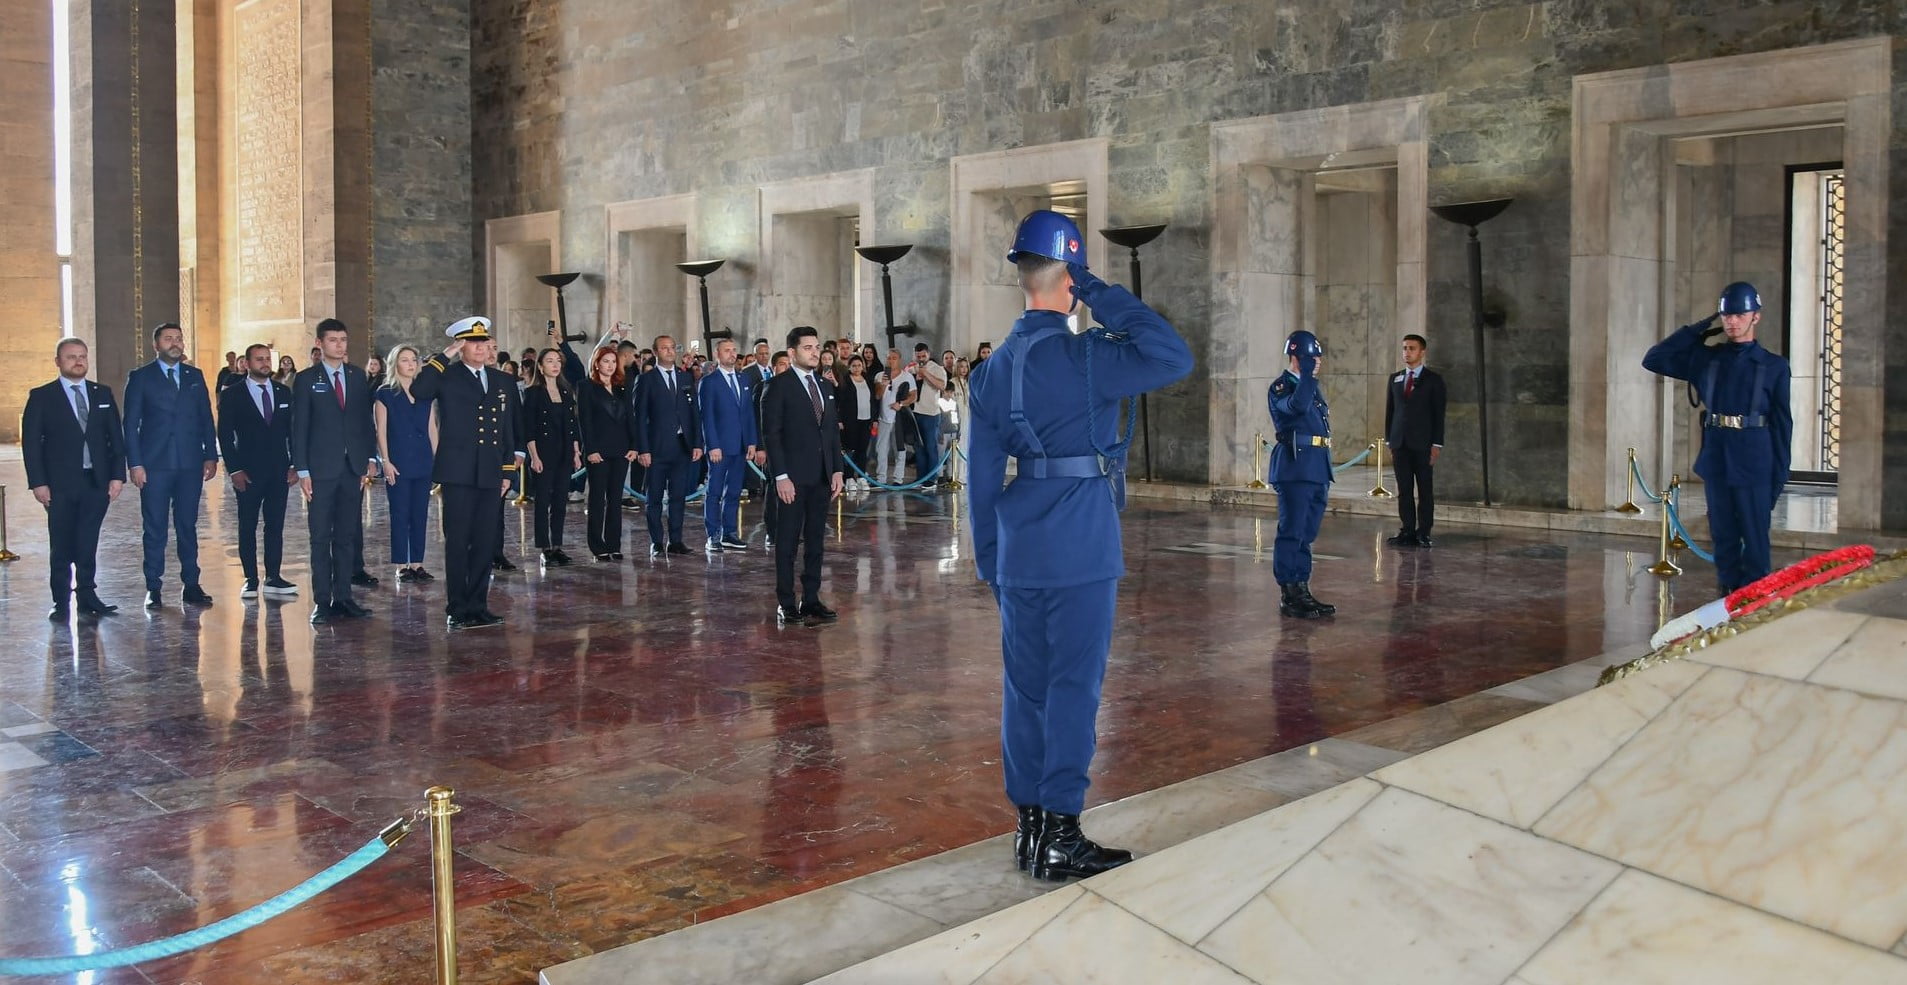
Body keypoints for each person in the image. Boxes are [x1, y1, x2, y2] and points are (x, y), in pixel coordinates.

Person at [967, 209, 1193, 882]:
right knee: (1072, 688)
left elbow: (979, 481)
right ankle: (1061, 830)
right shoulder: (1088, 357)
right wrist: (1098, 290)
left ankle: (1029, 828)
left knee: (1024, 690)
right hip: (1080, 548)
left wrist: (990, 558)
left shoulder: (991, 371)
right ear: (1067, 276)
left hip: (1018, 550)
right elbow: (1170, 353)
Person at [1643, 281, 1793, 594]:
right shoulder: (1707, 359)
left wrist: (1778, 477)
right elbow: (1654, 358)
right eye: (1726, 316)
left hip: (1755, 460)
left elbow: (1782, 426)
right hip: (1718, 459)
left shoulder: (1773, 366)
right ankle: (1726, 596)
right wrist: (1696, 330)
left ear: (1756, 317)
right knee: (1723, 536)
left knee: (1755, 539)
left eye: (1740, 314)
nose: (1732, 321)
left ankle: (1754, 601)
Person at [413, 316, 524, 629]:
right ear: (460, 345)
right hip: (458, 471)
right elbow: (421, 390)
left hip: (491, 472)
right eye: (472, 342)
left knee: (485, 541)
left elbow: (506, 430)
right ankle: (457, 607)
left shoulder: (501, 380)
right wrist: (445, 355)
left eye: (483, 341)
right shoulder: (447, 375)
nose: (480, 347)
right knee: (459, 541)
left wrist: (507, 472)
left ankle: (479, 604)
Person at [23, 338, 126, 620]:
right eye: (71, 357)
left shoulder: (102, 394)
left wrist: (117, 476)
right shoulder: (42, 396)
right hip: (59, 485)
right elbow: (31, 443)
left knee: (88, 541)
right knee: (62, 543)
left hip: (96, 482)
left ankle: (87, 596)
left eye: (82, 356)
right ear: (58, 361)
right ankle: (60, 600)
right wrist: (38, 482)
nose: (78, 361)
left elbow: (115, 440)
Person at [123, 322, 220, 608]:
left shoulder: (194, 375)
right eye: (168, 339)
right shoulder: (141, 377)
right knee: (154, 528)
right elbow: (130, 424)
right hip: (155, 465)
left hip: (190, 464)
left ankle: (191, 584)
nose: (175, 343)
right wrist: (135, 463)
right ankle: (154, 587)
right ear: (156, 345)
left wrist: (211, 454)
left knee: (187, 526)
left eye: (178, 338)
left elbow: (205, 416)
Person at [291, 318, 381, 624]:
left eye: (343, 340)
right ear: (320, 344)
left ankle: (344, 596)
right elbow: (299, 427)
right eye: (333, 340)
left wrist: (370, 457)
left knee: (346, 535)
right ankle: (322, 600)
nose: (340, 345)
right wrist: (302, 469)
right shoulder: (306, 379)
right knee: (320, 537)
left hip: (351, 467)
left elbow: (363, 422)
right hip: (320, 469)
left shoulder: (357, 376)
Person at [760, 326, 844, 625]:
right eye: (808, 347)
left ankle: (810, 599)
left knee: (816, 541)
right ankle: (786, 601)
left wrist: (836, 469)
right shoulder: (777, 387)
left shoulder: (825, 386)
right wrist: (780, 476)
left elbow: (831, 431)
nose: (815, 352)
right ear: (793, 352)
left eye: (817, 346)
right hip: (791, 480)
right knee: (786, 542)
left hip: (821, 478)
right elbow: (772, 435)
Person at [217, 343, 299, 600]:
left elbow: (293, 432)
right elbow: (225, 435)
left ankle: (273, 576)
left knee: (275, 525)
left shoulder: (284, 392)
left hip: (279, 471)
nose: (265, 363)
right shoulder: (233, 394)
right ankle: (250, 579)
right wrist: (234, 469)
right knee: (247, 525)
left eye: (267, 359)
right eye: (259, 359)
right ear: (248, 363)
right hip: (248, 472)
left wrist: (296, 463)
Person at [1268, 330, 1337, 620]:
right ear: (1295, 358)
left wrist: (1308, 378)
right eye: (1310, 359)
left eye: (1317, 359)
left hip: (1316, 467)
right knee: (1292, 531)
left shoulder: (1308, 386)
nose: (1315, 363)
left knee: (1306, 534)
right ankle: (1289, 594)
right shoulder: (1282, 387)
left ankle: (1302, 588)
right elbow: (1296, 408)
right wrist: (1307, 376)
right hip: (1295, 467)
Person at [632, 334, 704, 557]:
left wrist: (697, 443)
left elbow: (694, 413)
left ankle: (676, 540)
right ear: (655, 353)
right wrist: (643, 449)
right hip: (656, 448)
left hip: (681, 446)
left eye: (673, 347)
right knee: (654, 497)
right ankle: (656, 541)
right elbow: (640, 417)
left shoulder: (685, 378)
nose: (670, 351)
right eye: (664, 348)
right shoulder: (647, 380)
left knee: (678, 496)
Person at [375, 344, 438, 583]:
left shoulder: (425, 392)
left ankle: (418, 564)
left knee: (420, 513)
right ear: (395, 364)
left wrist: (437, 458)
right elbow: (380, 430)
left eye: (413, 359)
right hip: (398, 461)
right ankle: (402, 565)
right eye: (405, 360)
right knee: (400, 513)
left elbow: (432, 428)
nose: (411, 364)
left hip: (422, 459)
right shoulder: (384, 393)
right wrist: (386, 461)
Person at [1384, 334, 1447, 548]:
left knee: (1425, 489)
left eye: (1411, 348)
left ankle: (1424, 531)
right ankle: (1407, 530)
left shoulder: (1433, 380)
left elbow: (1439, 415)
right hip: (1400, 443)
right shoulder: (1395, 378)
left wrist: (1436, 444)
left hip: (1423, 444)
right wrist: (1389, 441)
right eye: (1404, 348)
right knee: (1404, 490)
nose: (1407, 352)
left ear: (1422, 352)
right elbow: (1390, 412)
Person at [697, 338, 758, 553]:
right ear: (718, 354)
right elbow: (707, 417)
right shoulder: (709, 381)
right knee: (714, 492)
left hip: (740, 445)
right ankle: (713, 534)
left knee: (734, 491)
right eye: (727, 351)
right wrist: (712, 445)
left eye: (734, 350)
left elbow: (749, 413)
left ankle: (729, 533)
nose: (732, 354)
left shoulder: (744, 379)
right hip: (719, 447)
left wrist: (752, 441)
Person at [524, 348, 582, 566]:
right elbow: (528, 428)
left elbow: (572, 425)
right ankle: (544, 547)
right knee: (542, 501)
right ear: (540, 366)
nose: (555, 365)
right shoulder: (533, 393)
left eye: (558, 361)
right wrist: (534, 456)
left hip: (565, 452)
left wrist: (576, 452)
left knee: (560, 501)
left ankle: (557, 545)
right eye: (549, 361)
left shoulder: (566, 391)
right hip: (543, 452)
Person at [578, 345, 636, 560]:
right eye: (606, 361)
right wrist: (590, 449)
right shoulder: (586, 387)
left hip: (621, 449)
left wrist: (634, 445)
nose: (610, 366)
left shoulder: (623, 386)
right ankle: (597, 545)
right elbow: (585, 421)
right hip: (598, 451)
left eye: (613, 362)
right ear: (597, 363)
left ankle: (614, 543)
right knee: (597, 499)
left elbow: (631, 416)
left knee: (615, 499)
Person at [909, 343, 946, 489]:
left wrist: (925, 374)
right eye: (918, 356)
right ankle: (921, 477)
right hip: (916, 411)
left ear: (928, 354)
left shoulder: (937, 369)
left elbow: (942, 386)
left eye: (923, 356)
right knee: (918, 447)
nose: (921, 359)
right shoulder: (912, 368)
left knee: (931, 446)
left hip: (931, 412)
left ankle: (932, 479)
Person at [840, 354, 875, 490]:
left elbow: (873, 401)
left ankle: (861, 477)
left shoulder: (868, 380)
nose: (857, 368)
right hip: (851, 420)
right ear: (849, 367)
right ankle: (849, 478)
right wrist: (840, 419)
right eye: (854, 365)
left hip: (866, 420)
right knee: (850, 449)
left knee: (862, 450)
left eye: (859, 365)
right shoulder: (845, 381)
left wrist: (875, 418)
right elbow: (841, 402)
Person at [874, 349, 909, 485]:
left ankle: (898, 478)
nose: (891, 360)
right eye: (889, 358)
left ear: (899, 360)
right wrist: (883, 384)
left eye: (894, 358)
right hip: (883, 417)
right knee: (881, 449)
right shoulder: (879, 375)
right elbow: (877, 395)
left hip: (899, 418)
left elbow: (913, 396)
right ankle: (881, 477)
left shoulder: (907, 376)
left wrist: (901, 403)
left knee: (900, 448)